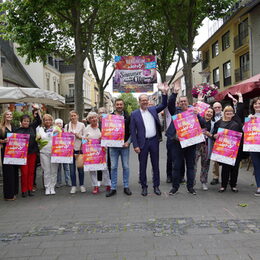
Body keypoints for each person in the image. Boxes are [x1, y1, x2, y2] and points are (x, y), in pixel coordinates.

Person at [130, 83, 169, 196]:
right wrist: (135, 145)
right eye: (142, 100)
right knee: (143, 166)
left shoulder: (153, 110)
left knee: (155, 165)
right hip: (142, 143)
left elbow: (164, 104)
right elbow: (133, 131)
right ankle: (144, 186)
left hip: (154, 141)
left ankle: (156, 186)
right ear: (139, 101)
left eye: (146, 100)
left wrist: (164, 92)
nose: (145, 102)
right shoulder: (134, 114)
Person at [166, 85, 205, 195]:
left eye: (184, 101)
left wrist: (199, 116)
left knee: (190, 166)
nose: (183, 103)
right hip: (177, 144)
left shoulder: (193, 111)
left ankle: (190, 188)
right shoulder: (175, 111)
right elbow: (170, 104)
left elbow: (203, 124)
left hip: (191, 144)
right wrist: (174, 93)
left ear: (188, 102)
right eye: (181, 101)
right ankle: (175, 187)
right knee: (176, 166)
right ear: (178, 103)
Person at [212, 92, 244, 193]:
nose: (229, 114)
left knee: (235, 168)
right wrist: (214, 136)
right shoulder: (219, 123)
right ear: (224, 113)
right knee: (225, 168)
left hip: (236, 149)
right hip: (224, 149)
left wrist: (239, 99)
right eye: (227, 113)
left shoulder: (237, 122)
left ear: (233, 113)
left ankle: (233, 185)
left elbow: (241, 111)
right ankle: (223, 185)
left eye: (231, 113)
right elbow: (214, 135)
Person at [106, 99, 132, 197]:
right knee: (113, 167)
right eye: (117, 104)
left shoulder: (128, 117)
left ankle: (126, 186)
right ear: (114, 105)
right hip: (113, 147)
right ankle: (113, 188)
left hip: (124, 146)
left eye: (121, 104)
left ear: (123, 105)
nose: (119, 106)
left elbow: (132, 131)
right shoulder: (109, 118)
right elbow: (106, 132)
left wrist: (128, 142)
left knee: (126, 166)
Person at [15, 105, 42, 197]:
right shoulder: (17, 130)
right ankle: (24, 190)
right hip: (22, 155)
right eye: (24, 121)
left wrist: (37, 110)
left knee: (31, 172)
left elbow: (39, 121)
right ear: (21, 122)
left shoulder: (32, 127)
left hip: (32, 153)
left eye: (27, 121)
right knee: (24, 173)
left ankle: (30, 189)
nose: (26, 122)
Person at [83, 112, 111, 194]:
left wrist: (103, 138)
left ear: (97, 118)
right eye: (91, 118)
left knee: (104, 168)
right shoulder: (86, 129)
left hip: (101, 150)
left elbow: (108, 136)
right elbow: (84, 139)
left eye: (94, 117)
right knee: (92, 169)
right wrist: (86, 140)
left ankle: (108, 184)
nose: (93, 119)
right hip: (91, 151)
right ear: (89, 120)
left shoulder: (102, 126)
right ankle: (95, 186)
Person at [37, 114, 59, 195]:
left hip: (55, 152)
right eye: (46, 120)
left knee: (54, 171)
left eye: (49, 119)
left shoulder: (56, 128)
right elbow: (42, 137)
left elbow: (60, 138)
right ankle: (47, 187)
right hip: (44, 152)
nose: (48, 121)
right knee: (46, 171)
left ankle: (52, 187)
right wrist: (51, 134)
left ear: (52, 120)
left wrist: (56, 133)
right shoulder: (40, 129)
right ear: (43, 121)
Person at [194, 107, 215, 191]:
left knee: (205, 164)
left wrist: (210, 134)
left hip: (207, 146)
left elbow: (215, 136)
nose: (209, 113)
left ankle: (203, 182)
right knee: (193, 163)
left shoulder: (214, 124)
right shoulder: (198, 120)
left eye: (211, 112)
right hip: (197, 145)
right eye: (208, 111)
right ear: (204, 112)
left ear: (212, 115)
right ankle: (192, 181)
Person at [65, 110, 86, 194]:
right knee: (71, 170)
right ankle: (73, 186)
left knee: (80, 169)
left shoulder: (82, 125)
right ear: (69, 117)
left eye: (74, 115)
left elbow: (85, 138)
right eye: (71, 116)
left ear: (78, 116)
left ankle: (81, 185)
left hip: (79, 149)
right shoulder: (66, 126)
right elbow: (64, 138)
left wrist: (79, 136)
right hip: (70, 150)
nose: (73, 117)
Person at [0, 110, 19, 201]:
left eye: (10, 114)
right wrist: (3, 141)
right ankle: (8, 195)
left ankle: (14, 191)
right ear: (4, 116)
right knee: (8, 172)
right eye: (7, 114)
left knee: (15, 171)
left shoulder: (14, 126)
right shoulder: (1, 127)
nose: (9, 116)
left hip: (15, 152)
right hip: (6, 152)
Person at [247, 97, 260, 196]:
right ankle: (259, 187)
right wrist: (249, 121)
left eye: (259, 103)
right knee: (257, 167)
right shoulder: (251, 117)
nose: (257, 105)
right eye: (255, 104)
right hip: (254, 146)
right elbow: (244, 130)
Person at [54, 118, 70, 187]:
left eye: (60, 123)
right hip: (57, 152)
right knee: (58, 168)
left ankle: (68, 181)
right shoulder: (54, 132)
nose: (59, 124)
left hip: (65, 152)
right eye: (57, 123)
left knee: (66, 167)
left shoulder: (65, 131)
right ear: (55, 124)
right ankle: (59, 182)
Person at [210, 101, 223, 185]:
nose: (217, 109)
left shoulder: (226, 114)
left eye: (219, 107)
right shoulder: (211, 116)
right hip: (214, 140)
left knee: (227, 160)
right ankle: (215, 177)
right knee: (215, 160)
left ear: (221, 108)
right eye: (215, 107)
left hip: (226, 141)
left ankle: (227, 177)